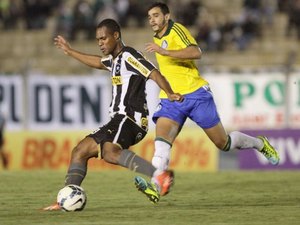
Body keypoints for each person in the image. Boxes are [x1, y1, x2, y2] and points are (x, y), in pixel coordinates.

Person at [134, 2, 280, 203]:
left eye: (156, 15)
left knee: (223, 143)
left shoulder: (177, 30)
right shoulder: (156, 38)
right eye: (150, 16)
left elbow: (197, 52)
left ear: (167, 17)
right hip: (170, 98)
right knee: (161, 145)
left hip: (195, 95)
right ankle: (155, 185)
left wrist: (166, 51)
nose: (152, 19)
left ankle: (259, 143)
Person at [43, 18, 183, 210]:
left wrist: (169, 93)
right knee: (80, 151)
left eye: (103, 38)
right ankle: (66, 198)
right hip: (118, 120)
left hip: (131, 119)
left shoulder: (129, 56)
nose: (100, 43)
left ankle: (159, 175)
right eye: (97, 39)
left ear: (116, 36)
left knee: (110, 152)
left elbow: (154, 73)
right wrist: (69, 51)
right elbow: (97, 62)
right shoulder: (114, 60)